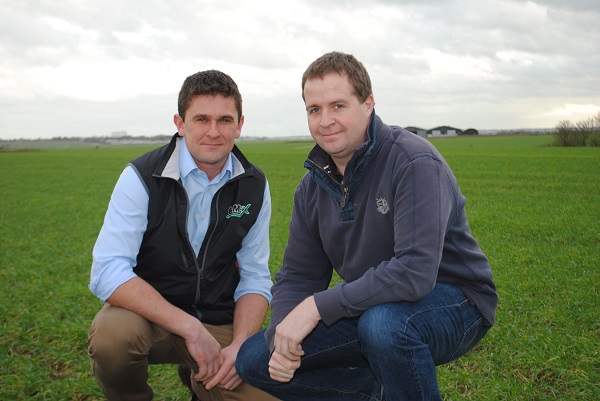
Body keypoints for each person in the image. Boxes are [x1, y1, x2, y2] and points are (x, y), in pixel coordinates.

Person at [235, 51, 498, 400]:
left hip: (455, 301)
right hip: (372, 305)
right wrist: (283, 335)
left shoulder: (413, 162)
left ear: (368, 103)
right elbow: (299, 274)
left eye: (338, 106)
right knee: (255, 358)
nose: (325, 120)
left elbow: (415, 271)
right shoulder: (311, 188)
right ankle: (370, 393)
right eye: (315, 109)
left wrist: (315, 308)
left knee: (386, 326)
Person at [88, 69, 279, 401]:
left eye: (224, 120)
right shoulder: (142, 177)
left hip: (221, 319)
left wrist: (240, 346)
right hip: (151, 317)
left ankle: (201, 384)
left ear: (240, 124)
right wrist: (189, 327)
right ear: (180, 122)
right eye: (201, 118)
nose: (213, 132)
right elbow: (107, 271)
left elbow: (255, 277)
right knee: (111, 337)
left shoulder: (254, 185)